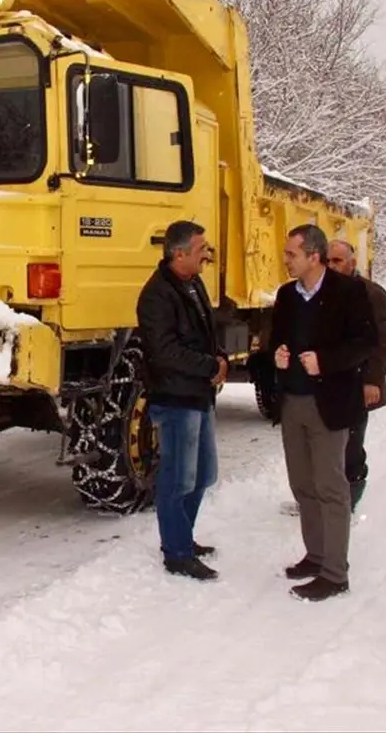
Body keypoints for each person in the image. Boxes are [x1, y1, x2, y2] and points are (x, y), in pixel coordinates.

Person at [268, 224, 376, 601]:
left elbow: (366, 343)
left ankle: (335, 573)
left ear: (314, 256)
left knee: (331, 487)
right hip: (293, 402)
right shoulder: (286, 295)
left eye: (292, 254)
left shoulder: (349, 292)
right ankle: (315, 556)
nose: (285, 260)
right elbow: (275, 340)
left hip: (329, 404)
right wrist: (277, 355)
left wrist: (325, 362)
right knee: (303, 484)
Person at [136, 219, 227, 581]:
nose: (207, 254)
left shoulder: (193, 283)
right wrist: (210, 366)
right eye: (201, 249)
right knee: (178, 479)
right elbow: (165, 351)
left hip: (198, 395)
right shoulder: (157, 295)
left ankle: (182, 537)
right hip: (175, 399)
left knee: (204, 474)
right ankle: (176, 553)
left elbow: (206, 333)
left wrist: (219, 358)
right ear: (179, 254)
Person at [326, 239, 386, 510]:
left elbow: (380, 342)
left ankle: (349, 500)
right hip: (329, 382)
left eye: (337, 261)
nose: (331, 266)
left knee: (351, 445)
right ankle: (324, 499)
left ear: (352, 263)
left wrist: (372, 381)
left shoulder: (371, 294)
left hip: (357, 382)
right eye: (327, 261)